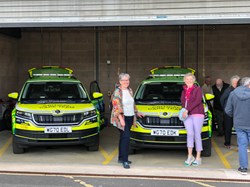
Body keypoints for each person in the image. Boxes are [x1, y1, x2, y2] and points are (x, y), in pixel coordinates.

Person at [110, 73, 143, 169]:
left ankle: (121, 157)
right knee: (126, 138)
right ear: (120, 81)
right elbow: (116, 107)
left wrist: (137, 112)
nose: (126, 82)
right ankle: (125, 160)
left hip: (130, 116)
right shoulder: (117, 92)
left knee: (123, 137)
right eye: (123, 80)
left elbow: (132, 103)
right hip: (121, 118)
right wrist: (121, 119)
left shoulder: (130, 90)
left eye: (127, 80)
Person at [225, 77, 250, 175]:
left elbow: (228, 110)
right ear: (247, 84)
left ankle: (243, 167)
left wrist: (235, 116)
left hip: (239, 124)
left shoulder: (233, 93)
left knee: (242, 146)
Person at [181, 73, 204, 166]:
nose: (189, 80)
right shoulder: (184, 90)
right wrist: (184, 110)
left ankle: (198, 157)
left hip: (197, 114)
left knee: (197, 134)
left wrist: (187, 110)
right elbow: (183, 102)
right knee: (190, 134)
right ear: (184, 80)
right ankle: (190, 156)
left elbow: (197, 101)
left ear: (193, 80)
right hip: (187, 115)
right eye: (187, 79)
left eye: (190, 79)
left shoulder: (197, 89)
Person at [220, 75, 240, 149]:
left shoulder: (239, 90)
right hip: (228, 113)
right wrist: (225, 109)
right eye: (234, 82)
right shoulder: (228, 90)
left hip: (237, 113)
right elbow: (222, 99)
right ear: (231, 83)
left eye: (237, 82)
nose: (236, 84)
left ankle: (240, 143)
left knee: (239, 128)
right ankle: (227, 143)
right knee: (228, 128)